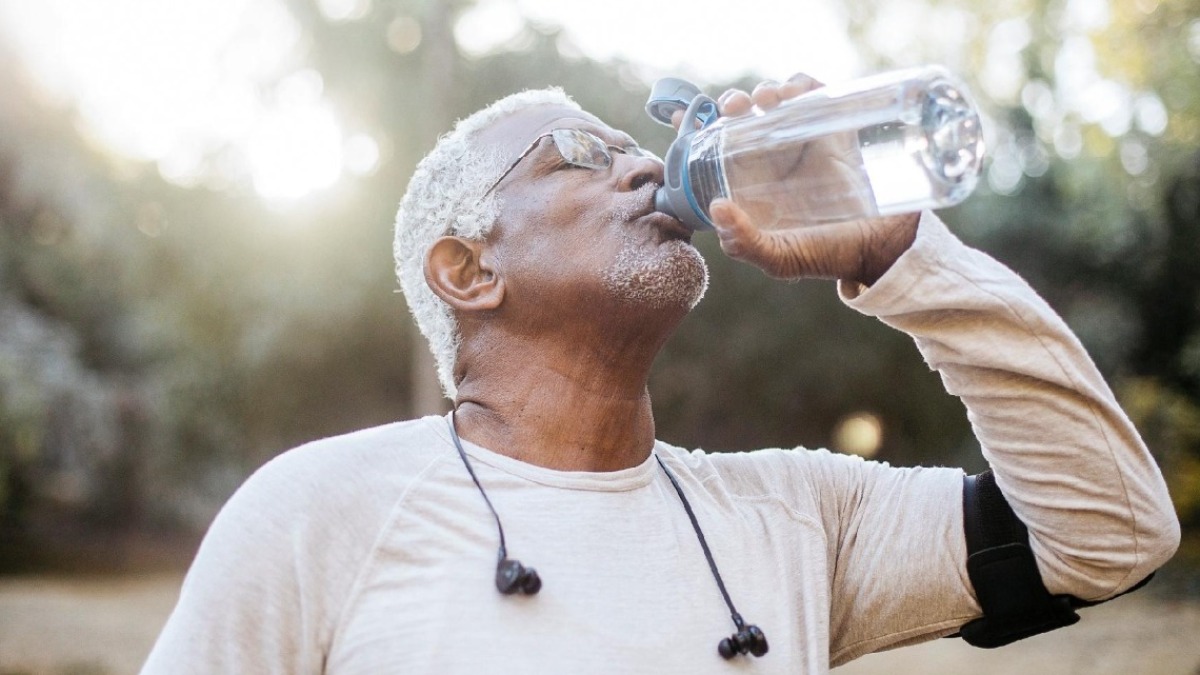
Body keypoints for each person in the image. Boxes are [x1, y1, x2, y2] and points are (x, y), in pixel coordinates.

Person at [142, 74, 1180, 674]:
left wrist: (900, 258)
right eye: (575, 153)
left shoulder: (799, 517)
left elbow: (1112, 532)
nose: (643, 164)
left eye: (633, 146)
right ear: (469, 270)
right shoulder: (319, 511)